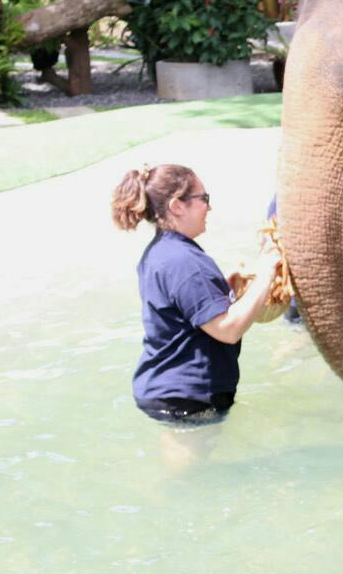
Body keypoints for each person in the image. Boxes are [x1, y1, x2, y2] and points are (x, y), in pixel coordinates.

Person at [111, 163, 280, 425]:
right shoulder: (184, 262)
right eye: (204, 199)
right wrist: (268, 272)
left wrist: (221, 289)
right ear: (177, 205)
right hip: (184, 399)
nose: (209, 207)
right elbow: (228, 329)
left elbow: (183, 310)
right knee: (187, 468)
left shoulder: (162, 251)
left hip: (172, 392)